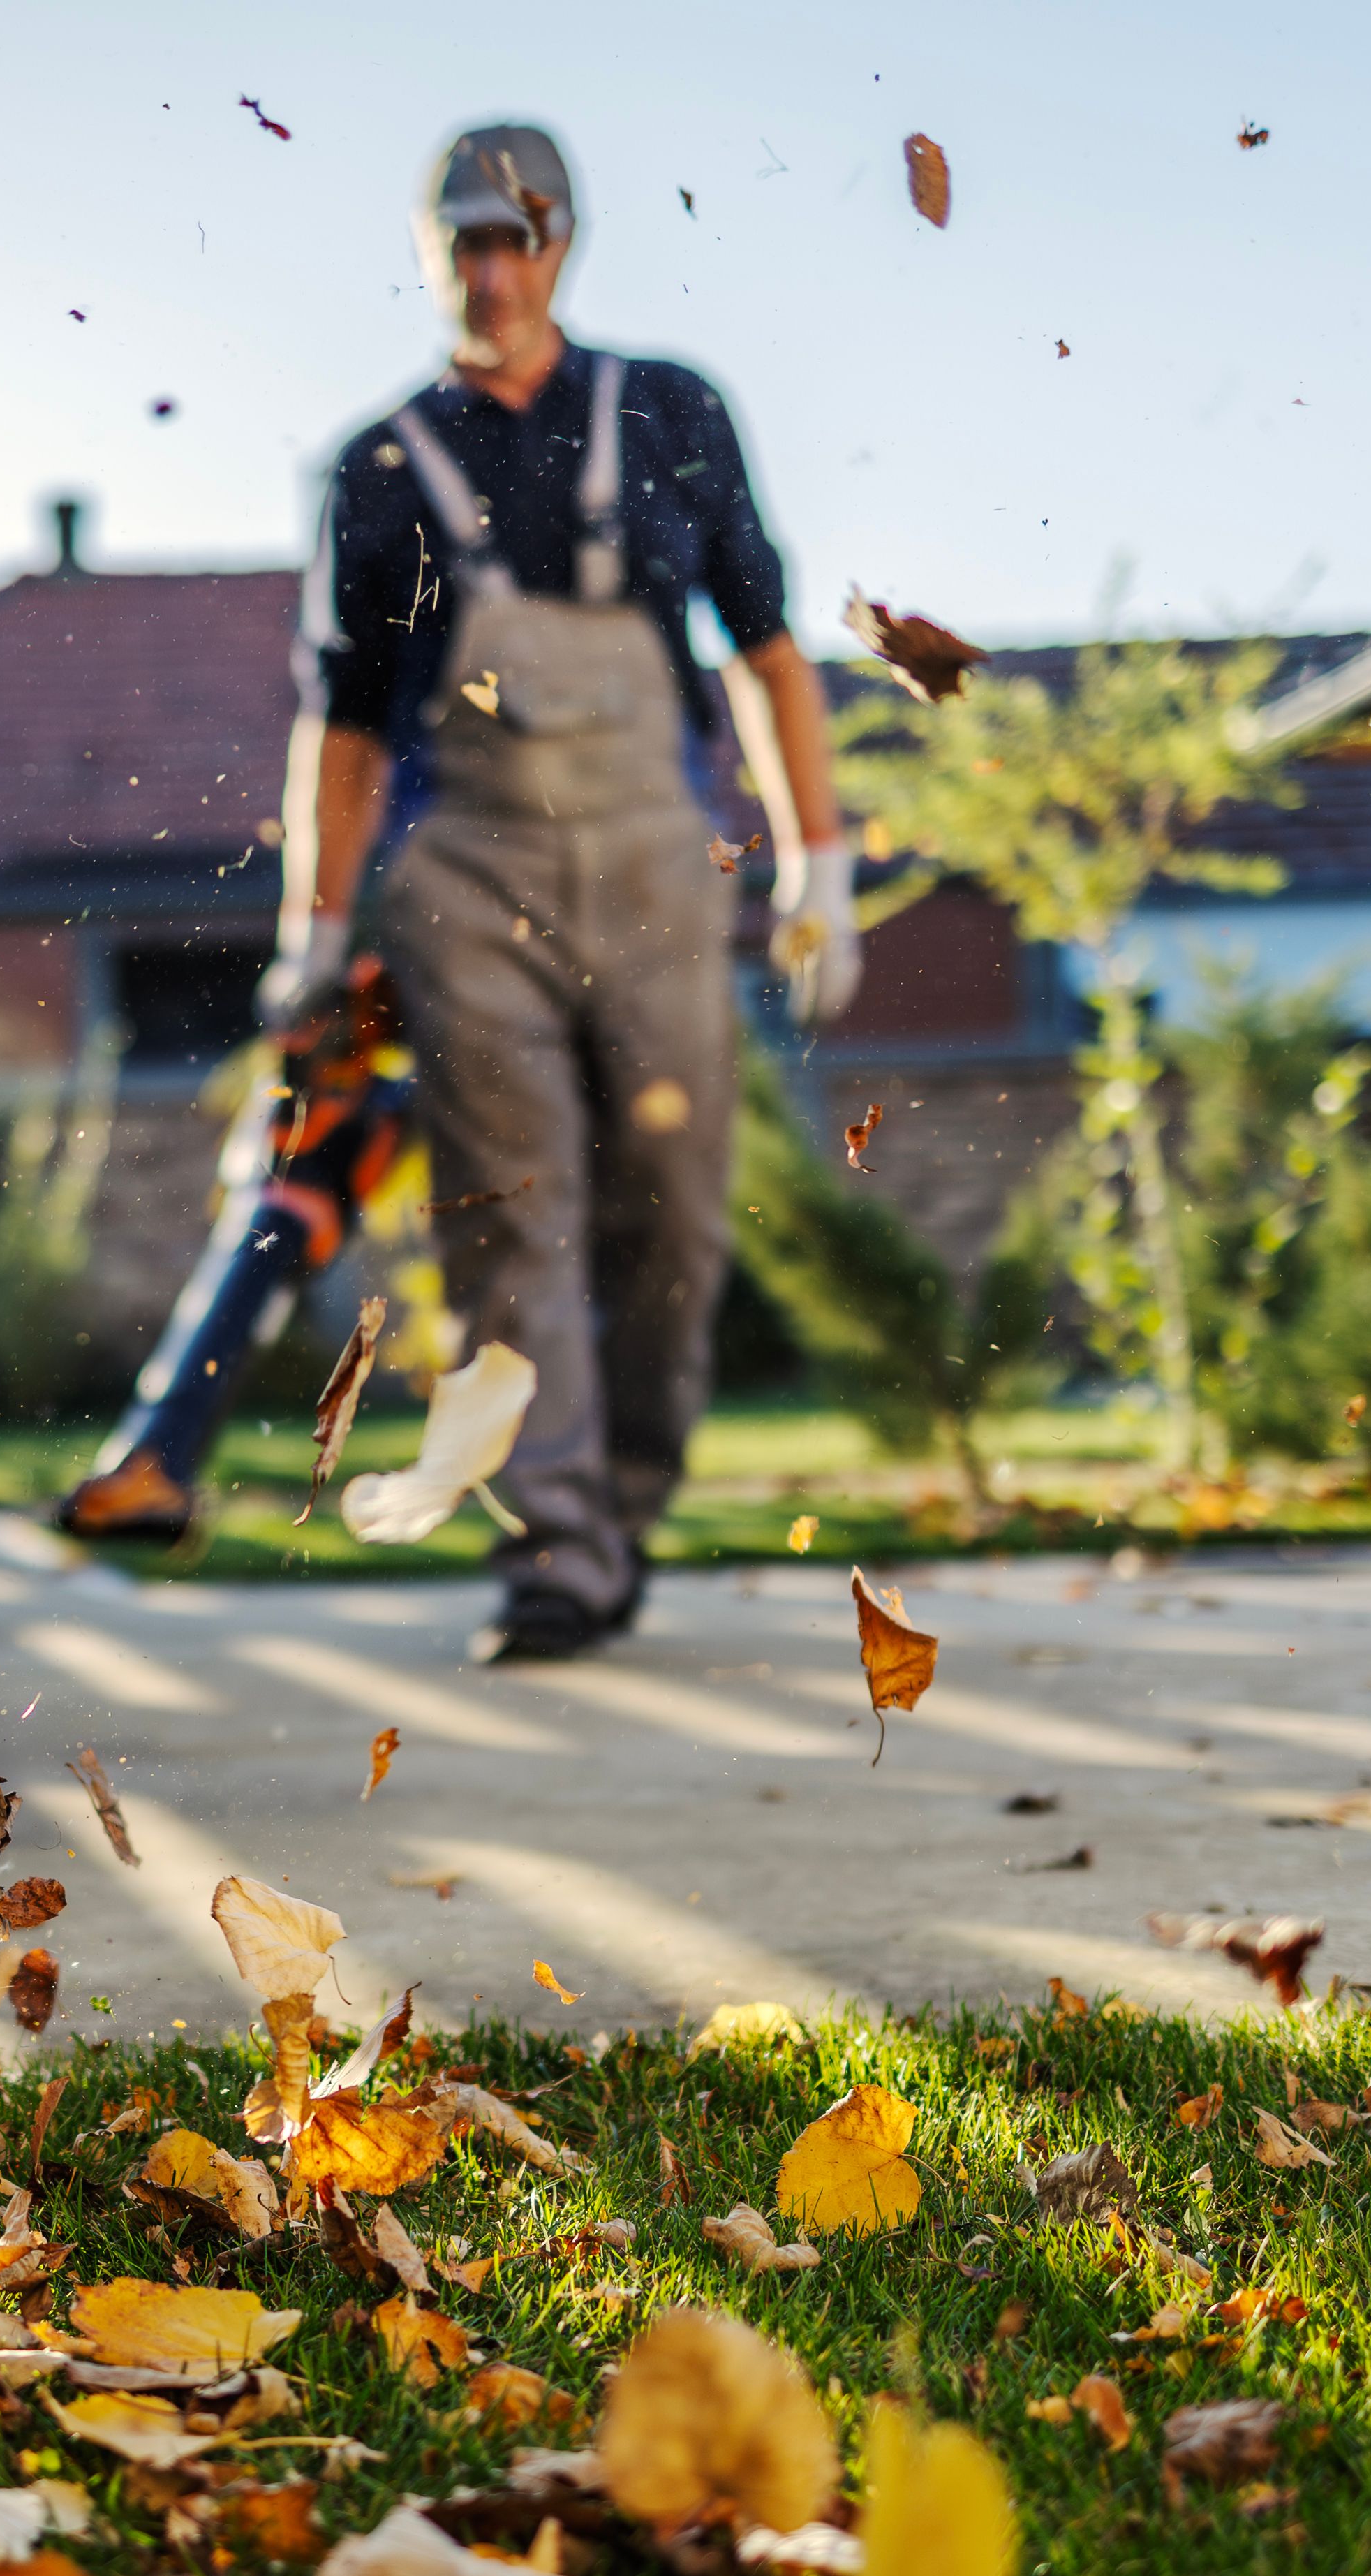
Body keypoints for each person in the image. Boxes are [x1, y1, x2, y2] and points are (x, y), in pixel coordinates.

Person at [269, 119, 856, 1664]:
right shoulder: (380, 467)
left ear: (565, 245)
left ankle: (627, 1504)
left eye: (518, 236)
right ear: (428, 252)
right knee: (513, 1222)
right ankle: (562, 1546)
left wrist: (822, 862)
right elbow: (337, 730)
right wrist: (311, 938)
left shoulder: (670, 412)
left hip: (662, 860)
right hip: (470, 876)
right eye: (463, 239)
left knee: (674, 1219)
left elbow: (772, 657)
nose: (491, 266)